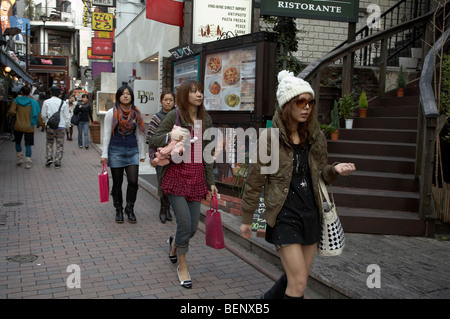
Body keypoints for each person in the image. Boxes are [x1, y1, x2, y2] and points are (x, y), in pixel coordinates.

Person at [239, 70, 356, 299]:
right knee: (299, 283)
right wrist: (247, 218)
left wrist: (334, 170)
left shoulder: (315, 136)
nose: (307, 107)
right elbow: (255, 181)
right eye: (300, 102)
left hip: (310, 214)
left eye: (310, 102)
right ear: (287, 105)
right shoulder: (270, 139)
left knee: (296, 276)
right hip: (284, 215)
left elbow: (321, 174)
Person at [149, 80, 218, 289]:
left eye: (200, 91)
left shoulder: (206, 119)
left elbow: (207, 154)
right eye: (194, 91)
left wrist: (211, 182)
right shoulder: (175, 115)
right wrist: (171, 135)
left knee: (192, 228)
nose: (198, 94)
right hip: (176, 177)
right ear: (185, 95)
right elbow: (154, 140)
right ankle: (182, 265)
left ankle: (174, 244)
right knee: (185, 223)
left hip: (196, 178)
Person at [100, 85, 146, 224]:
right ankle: (119, 209)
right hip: (116, 151)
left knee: (133, 182)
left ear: (131, 96)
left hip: (132, 151)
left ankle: (130, 208)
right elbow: (107, 134)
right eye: (123, 94)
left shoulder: (136, 113)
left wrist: (142, 153)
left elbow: (140, 134)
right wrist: (104, 154)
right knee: (117, 183)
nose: (125, 96)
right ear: (119, 96)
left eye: (128, 93)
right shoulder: (111, 113)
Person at [147, 90, 176, 223]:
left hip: (176, 157)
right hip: (160, 156)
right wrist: (152, 157)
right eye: (166, 100)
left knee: (173, 184)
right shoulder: (156, 117)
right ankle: (163, 209)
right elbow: (151, 140)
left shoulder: (178, 117)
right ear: (161, 101)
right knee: (162, 182)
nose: (168, 102)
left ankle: (168, 208)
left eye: (171, 100)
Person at [8, 86, 40, 169]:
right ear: (29, 92)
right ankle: (28, 162)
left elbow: (11, 111)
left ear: (21, 93)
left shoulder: (16, 101)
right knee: (28, 144)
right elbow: (37, 114)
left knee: (18, 142)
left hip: (18, 125)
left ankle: (19, 158)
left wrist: (17, 114)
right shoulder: (33, 102)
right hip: (29, 126)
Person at [41, 86, 70, 169]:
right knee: (59, 144)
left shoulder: (46, 102)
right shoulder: (63, 103)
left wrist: (46, 122)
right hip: (61, 126)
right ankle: (57, 161)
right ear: (59, 94)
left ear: (51, 93)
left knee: (49, 143)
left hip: (50, 126)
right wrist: (67, 126)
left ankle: (49, 158)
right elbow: (67, 116)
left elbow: (43, 115)